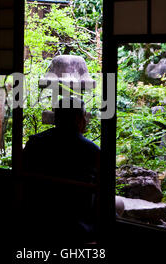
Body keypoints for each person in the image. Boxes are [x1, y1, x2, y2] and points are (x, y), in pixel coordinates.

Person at [20, 97, 100, 244]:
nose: (86, 121)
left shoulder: (35, 143)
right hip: (77, 226)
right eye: (84, 116)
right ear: (78, 119)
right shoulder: (91, 150)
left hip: (36, 219)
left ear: (56, 118)